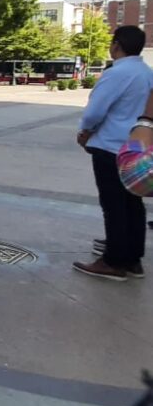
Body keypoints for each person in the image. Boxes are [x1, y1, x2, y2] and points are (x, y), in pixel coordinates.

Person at [73, 25, 153, 281]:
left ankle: (113, 261)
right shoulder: (146, 72)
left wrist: (85, 131)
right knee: (132, 202)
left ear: (117, 44)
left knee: (114, 205)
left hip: (111, 146)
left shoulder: (117, 73)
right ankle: (132, 259)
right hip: (136, 147)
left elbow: (95, 111)